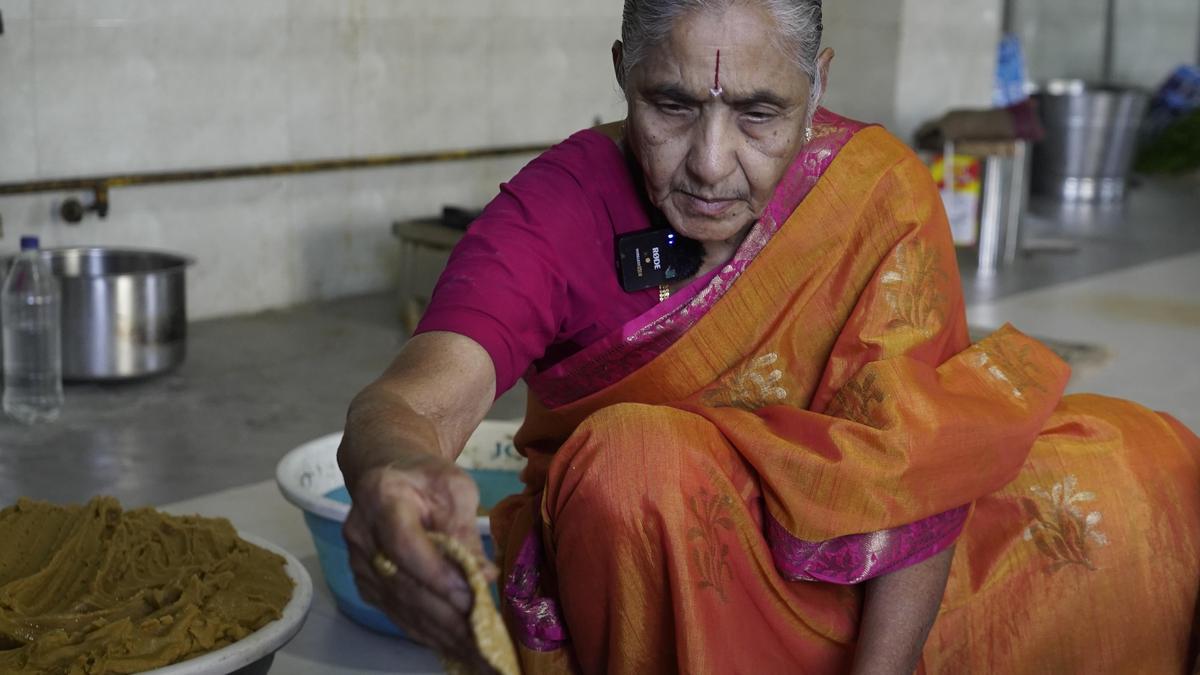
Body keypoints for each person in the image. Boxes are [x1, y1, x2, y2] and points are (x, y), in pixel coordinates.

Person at [338, 1, 1200, 673]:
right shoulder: (559, 209)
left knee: (1149, 463)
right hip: (663, 589)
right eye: (671, 104)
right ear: (622, 73)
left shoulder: (876, 196)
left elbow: (923, 478)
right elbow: (416, 397)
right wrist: (393, 470)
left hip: (871, 589)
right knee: (632, 460)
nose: (711, 163)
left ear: (817, 86)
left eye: (759, 113)